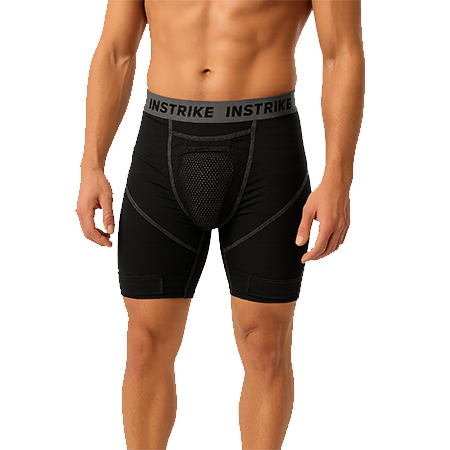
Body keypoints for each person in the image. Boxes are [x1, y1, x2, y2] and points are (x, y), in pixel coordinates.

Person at [76, 0, 366, 449]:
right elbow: (116, 50)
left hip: (266, 149)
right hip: (160, 148)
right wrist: (91, 164)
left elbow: (342, 51)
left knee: (265, 346)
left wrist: (339, 179)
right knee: (143, 344)